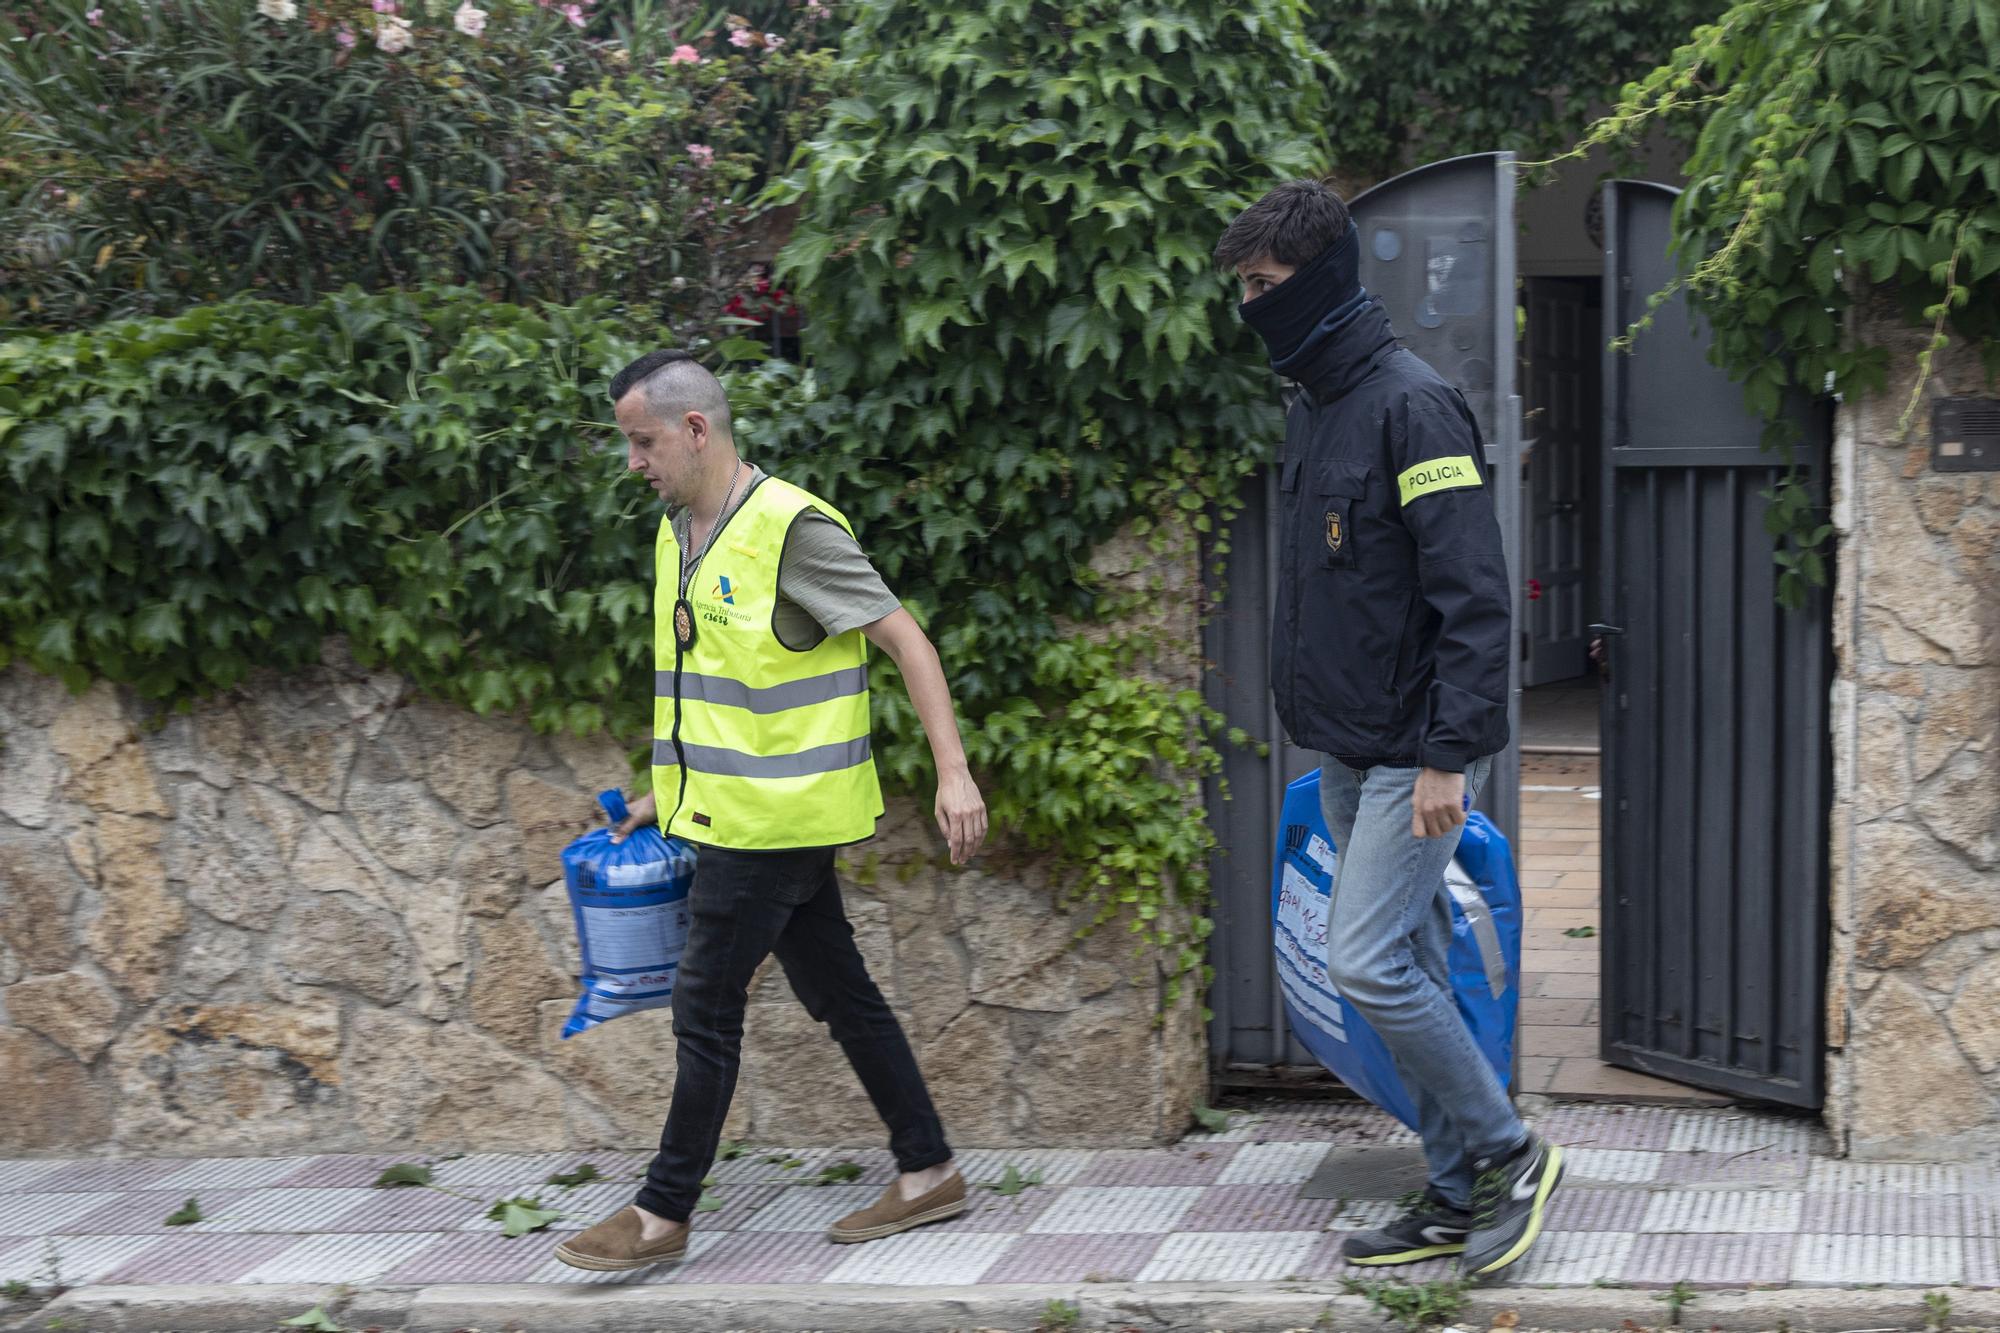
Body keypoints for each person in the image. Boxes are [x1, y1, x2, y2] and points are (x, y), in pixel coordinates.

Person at [555, 349, 989, 1272]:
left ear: (695, 429)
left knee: (703, 1002)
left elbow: (906, 638)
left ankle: (663, 1214)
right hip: (728, 815)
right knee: (840, 991)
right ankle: (929, 1168)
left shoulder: (793, 530)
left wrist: (953, 772)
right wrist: (654, 793)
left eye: (643, 442)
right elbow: (710, 688)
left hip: (776, 822)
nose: (634, 461)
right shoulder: (679, 529)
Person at [1216, 180, 1564, 1281]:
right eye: (1243, 289)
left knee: (1363, 960)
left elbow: (1472, 594)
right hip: (1344, 752)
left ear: (1317, 278)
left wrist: (1445, 757)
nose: (1250, 307)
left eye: (1262, 286)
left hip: (1410, 759)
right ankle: (1454, 1185)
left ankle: (1509, 1154)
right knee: (1406, 960)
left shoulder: (1411, 405)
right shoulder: (1313, 405)